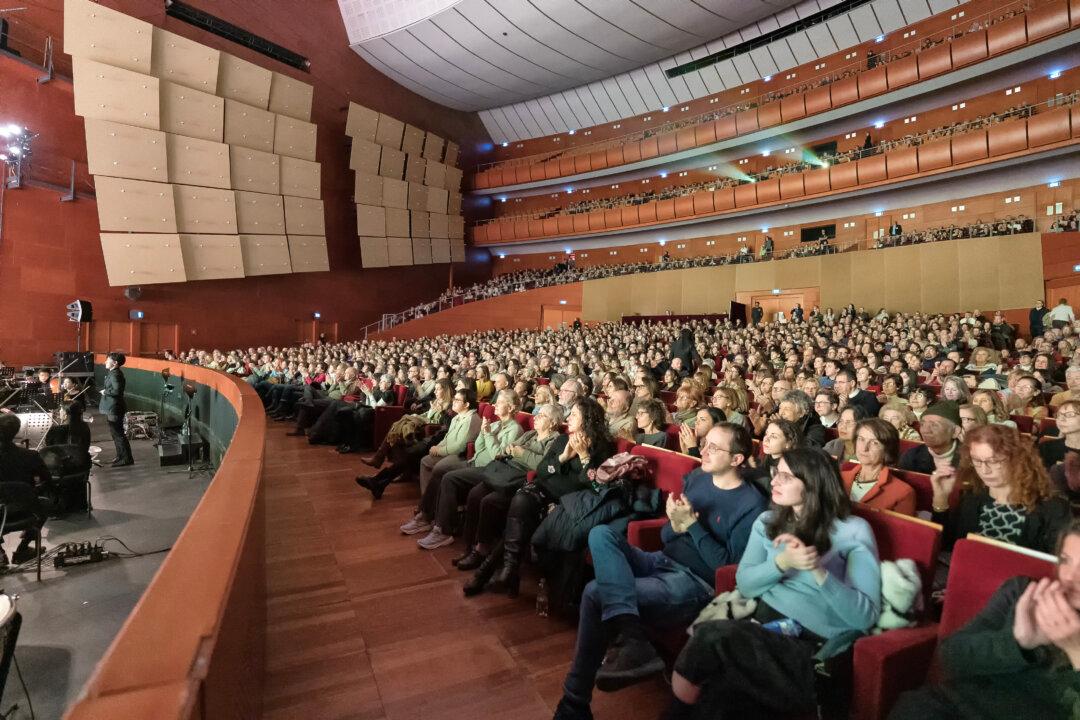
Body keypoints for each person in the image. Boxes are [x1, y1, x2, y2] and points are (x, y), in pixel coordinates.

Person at [552, 423, 767, 720]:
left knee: (596, 592)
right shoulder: (698, 479)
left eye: (713, 448)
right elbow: (668, 537)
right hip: (661, 560)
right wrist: (675, 525)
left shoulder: (752, 505)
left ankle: (574, 703)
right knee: (601, 534)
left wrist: (691, 526)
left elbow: (726, 566)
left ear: (737, 459)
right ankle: (633, 636)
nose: (702, 450)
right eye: (704, 443)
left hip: (693, 583)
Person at [663, 448, 880, 720]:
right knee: (718, 700)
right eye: (776, 473)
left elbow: (864, 617)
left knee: (711, 636)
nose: (774, 481)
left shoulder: (853, 530)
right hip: (761, 628)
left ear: (813, 482)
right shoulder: (768, 521)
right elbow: (746, 583)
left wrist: (818, 571)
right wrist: (782, 563)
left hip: (810, 647)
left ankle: (681, 701)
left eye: (786, 477)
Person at [889, 521, 1080, 720]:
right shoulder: (1022, 592)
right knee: (914, 705)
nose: (1069, 576)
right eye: (1066, 560)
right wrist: (1017, 642)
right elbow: (951, 657)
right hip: (955, 707)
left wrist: (1076, 652)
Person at [472, 397, 614, 599]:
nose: (569, 417)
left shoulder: (601, 447)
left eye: (574, 414)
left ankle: (491, 571)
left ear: (587, 419)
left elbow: (593, 483)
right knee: (522, 500)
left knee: (524, 522)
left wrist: (583, 456)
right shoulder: (563, 439)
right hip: (543, 489)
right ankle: (506, 570)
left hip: (567, 500)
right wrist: (562, 458)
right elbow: (542, 470)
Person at [458, 403, 564, 579]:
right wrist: (513, 450)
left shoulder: (555, 441)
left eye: (542, 416)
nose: (535, 417)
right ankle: (469, 546)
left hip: (520, 479)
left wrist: (521, 453)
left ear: (553, 423)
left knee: (488, 501)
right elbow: (509, 447)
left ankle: (482, 549)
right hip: (505, 471)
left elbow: (544, 465)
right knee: (475, 494)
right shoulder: (531, 434)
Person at [408, 389, 522, 550]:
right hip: (475, 462)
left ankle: (443, 531)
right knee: (439, 472)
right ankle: (425, 516)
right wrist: (484, 433)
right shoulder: (495, 424)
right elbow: (477, 447)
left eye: (500, 402)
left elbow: (497, 456)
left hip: (490, 470)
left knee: (449, 477)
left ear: (510, 408)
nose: (495, 405)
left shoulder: (515, 429)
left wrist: (488, 434)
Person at [931, 425, 1070, 553]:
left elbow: (1055, 565)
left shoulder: (1053, 509)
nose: (984, 470)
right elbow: (945, 548)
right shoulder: (971, 499)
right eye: (977, 461)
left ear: (1017, 460)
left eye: (994, 461)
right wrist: (941, 499)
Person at [0, 414, 50, 564]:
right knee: (46, 503)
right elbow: (47, 481)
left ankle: (0, 554)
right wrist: (32, 492)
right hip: (25, 510)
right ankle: (23, 549)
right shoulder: (30, 455)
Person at [841, 418, 916, 515]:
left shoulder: (903, 492)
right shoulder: (839, 477)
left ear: (888, 451)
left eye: (874, 442)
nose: (864, 448)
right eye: (861, 439)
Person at [899, 402, 963, 474]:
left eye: (934, 425)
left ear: (955, 431)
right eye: (922, 424)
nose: (925, 430)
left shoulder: (971, 459)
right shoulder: (911, 456)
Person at [100, 352, 133, 467]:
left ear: (114, 363)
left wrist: (105, 392)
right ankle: (120, 456)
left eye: (107, 360)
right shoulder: (113, 373)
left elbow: (117, 391)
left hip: (115, 408)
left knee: (118, 434)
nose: (105, 362)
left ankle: (126, 459)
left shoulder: (115, 374)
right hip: (113, 407)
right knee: (115, 434)